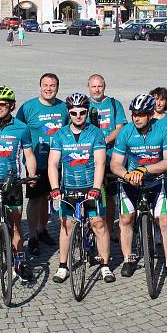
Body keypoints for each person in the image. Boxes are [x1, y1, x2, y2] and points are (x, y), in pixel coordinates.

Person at [111, 94, 167, 281]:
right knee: (126, 219)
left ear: (150, 114)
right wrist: (127, 175)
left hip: (156, 181)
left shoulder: (164, 129)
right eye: (134, 114)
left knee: (164, 221)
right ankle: (127, 259)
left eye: (141, 114)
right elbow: (115, 164)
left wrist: (144, 169)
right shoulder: (125, 132)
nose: (137, 118)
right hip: (130, 182)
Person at [48, 93, 115, 284]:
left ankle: (104, 265)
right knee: (66, 225)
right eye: (73, 112)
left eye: (82, 112)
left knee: (98, 224)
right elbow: (53, 163)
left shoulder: (95, 133)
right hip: (68, 186)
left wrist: (95, 187)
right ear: (68, 113)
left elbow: (100, 162)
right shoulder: (60, 134)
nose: (78, 116)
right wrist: (54, 188)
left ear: (88, 112)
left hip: (90, 186)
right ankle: (63, 266)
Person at [0, 86, 37, 283]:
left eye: (3, 104)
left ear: (12, 106)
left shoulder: (22, 128)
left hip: (13, 183)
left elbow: (28, 155)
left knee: (16, 227)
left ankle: (19, 261)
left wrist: (32, 175)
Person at [16, 73, 69, 255]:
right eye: (45, 85)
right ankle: (32, 236)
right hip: (36, 162)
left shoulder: (64, 107)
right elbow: (18, 129)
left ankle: (42, 229)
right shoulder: (28, 107)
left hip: (57, 162)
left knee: (48, 197)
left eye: (52, 85)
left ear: (57, 87)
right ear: (40, 87)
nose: (48, 88)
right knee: (35, 199)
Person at [87, 74, 127, 238]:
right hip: (89, 158)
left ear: (104, 87)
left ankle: (108, 229)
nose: (97, 89)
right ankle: (91, 228)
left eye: (100, 86)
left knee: (110, 196)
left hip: (111, 157)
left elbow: (120, 127)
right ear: (88, 87)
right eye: (93, 86)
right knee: (89, 193)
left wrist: (104, 141)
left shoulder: (114, 104)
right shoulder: (84, 104)